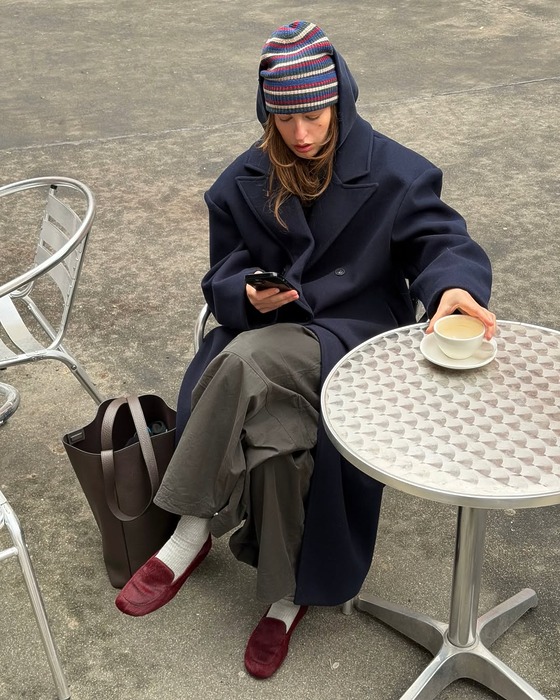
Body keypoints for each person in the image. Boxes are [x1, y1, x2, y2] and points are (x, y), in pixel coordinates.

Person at [115, 20, 496, 678]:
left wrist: (454, 287)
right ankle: (287, 596)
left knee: (242, 361)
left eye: (314, 114)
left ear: (339, 98)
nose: (300, 133)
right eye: (284, 117)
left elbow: (441, 241)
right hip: (271, 335)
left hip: (351, 343)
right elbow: (223, 271)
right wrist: (245, 293)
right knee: (278, 442)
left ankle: (189, 529)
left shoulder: (395, 172)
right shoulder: (244, 178)